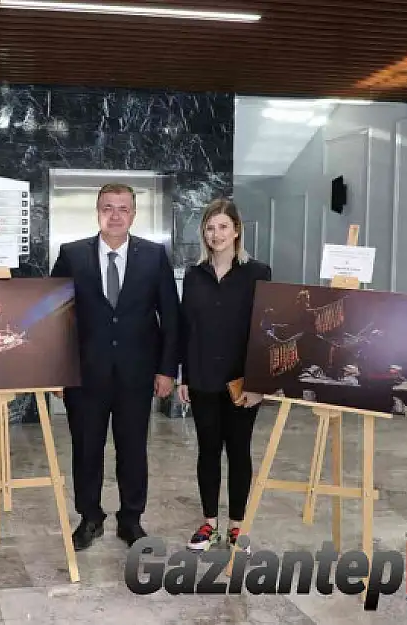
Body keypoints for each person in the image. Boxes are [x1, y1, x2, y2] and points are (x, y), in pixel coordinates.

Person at [50, 182, 180, 550]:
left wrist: (167, 370)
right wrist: (57, 371)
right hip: (84, 374)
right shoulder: (72, 255)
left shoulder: (154, 256)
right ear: (97, 211)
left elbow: (169, 317)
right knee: (86, 449)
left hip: (136, 375)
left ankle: (131, 519)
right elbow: (57, 317)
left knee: (133, 448)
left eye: (123, 208)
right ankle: (89, 518)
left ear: (134, 214)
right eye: (108, 207)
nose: (116, 215)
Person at [176, 198, 271, 553]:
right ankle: (209, 525)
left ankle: (236, 527)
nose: (216, 234)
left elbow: (266, 331)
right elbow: (187, 327)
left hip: (241, 382)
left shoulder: (257, 273)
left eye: (222, 227)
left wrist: (259, 383)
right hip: (201, 376)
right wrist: (184, 375)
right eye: (210, 227)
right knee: (208, 451)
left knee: (239, 451)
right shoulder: (194, 274)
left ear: (237, 230)